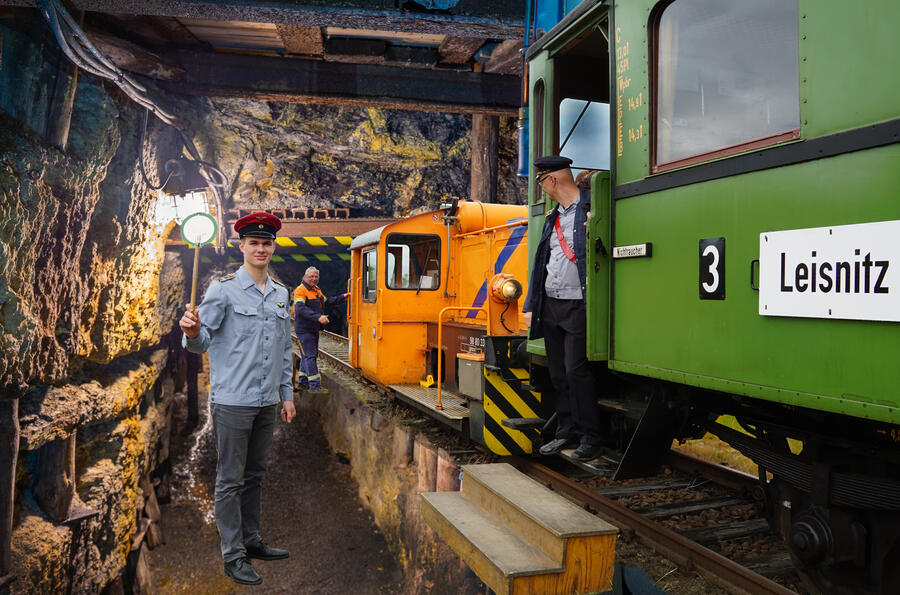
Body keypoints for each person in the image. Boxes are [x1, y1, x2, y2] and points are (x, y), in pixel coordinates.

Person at [179, 211, 295, 586]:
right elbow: (199, 342)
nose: (260, 248)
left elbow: (282, 350)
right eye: (254, 243)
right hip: (232, 402)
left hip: (266, 402)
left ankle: (251, 540)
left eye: (266, 243)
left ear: (272, 247)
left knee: (255, 475)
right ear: (242, 247)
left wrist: (286, 395)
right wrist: (193, 331)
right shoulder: (222, 290)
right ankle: (233, 556)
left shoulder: (280, 295)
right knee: (230, 480)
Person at [522, 155, 604, 461]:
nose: (541, 188)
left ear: (552, 180)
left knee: (576, 372)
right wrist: (532, 303)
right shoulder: (552, 217)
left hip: (578, 305)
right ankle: (565, 431)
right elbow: (539, 264)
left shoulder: (592, 208)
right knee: (557, 373)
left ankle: (590, 437)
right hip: (551, 305)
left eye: (541, 182)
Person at [293, 266, 349, 392]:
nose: (314, 279)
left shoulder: (316, 290)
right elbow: (300, 309)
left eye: (316, 276)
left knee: (306, 355)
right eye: (311, 276)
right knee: (310, 356)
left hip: (314, 328)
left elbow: (327, 301)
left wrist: (343, 297)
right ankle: (315, 386)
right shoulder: (300, 290)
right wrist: (318, 317)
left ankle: (303, 382)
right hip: (304, 329)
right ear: (305, 277)